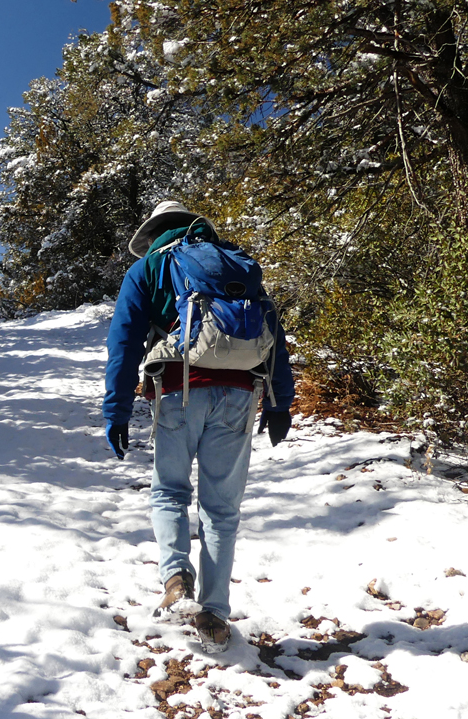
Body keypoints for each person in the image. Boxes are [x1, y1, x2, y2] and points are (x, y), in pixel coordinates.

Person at [102, 200, 294, 653]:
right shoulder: (236, 264)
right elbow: (273, 332)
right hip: (242, 395)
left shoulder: (149, 267)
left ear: (154, 234)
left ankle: (175, 579)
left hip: (178, 390)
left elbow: (124, 340)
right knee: (221, 508)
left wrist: (116, 411)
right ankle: (214, 614)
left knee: (170, 490)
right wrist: (281, 403)